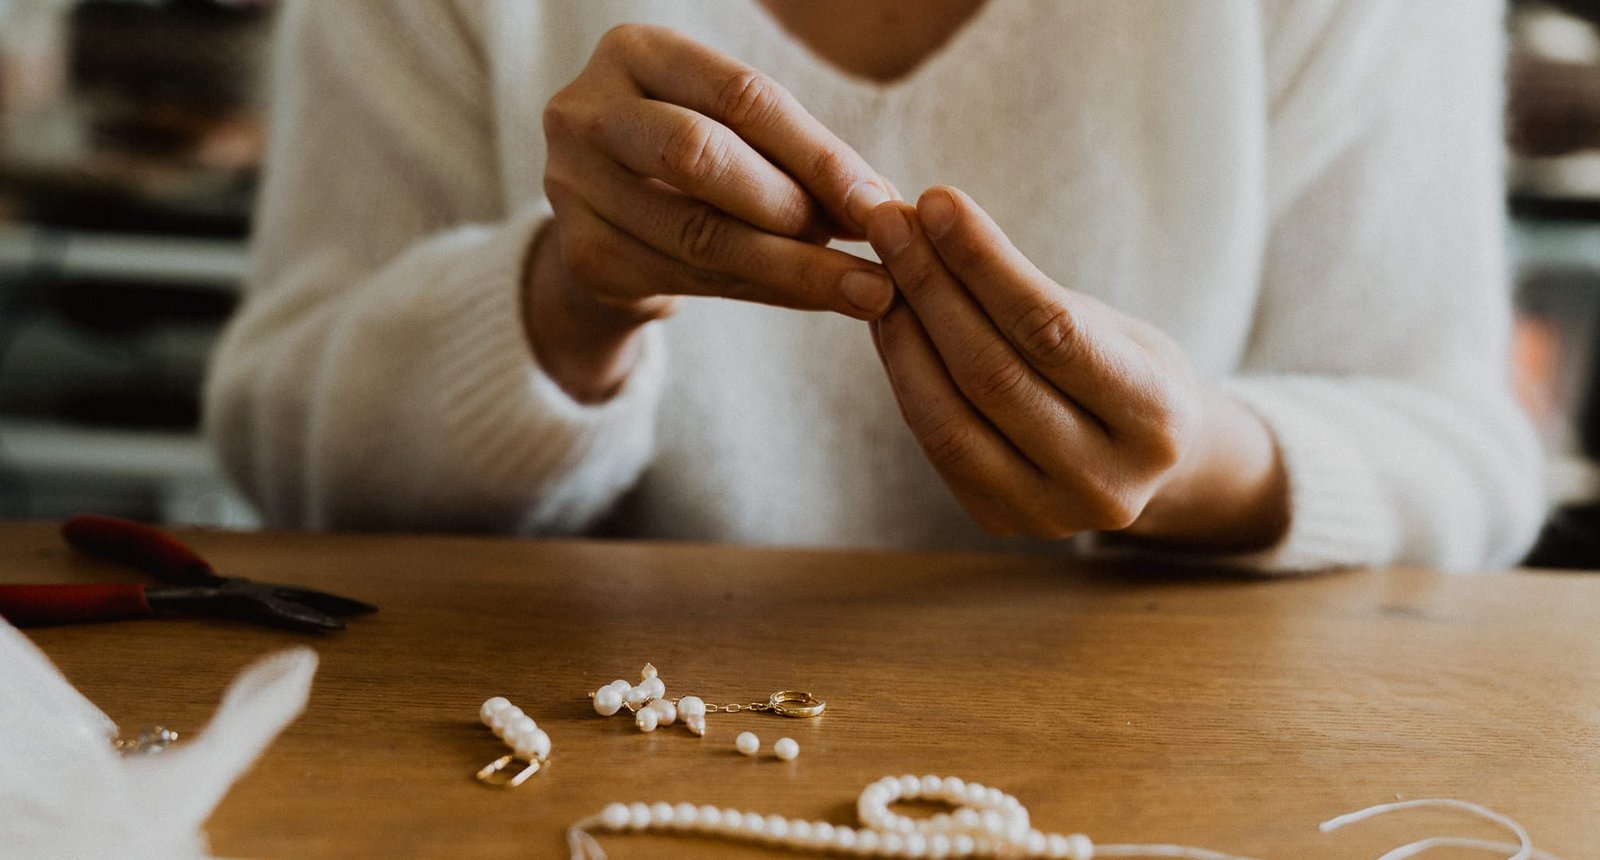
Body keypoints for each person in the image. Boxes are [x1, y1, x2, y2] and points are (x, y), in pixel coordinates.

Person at [204, 0, 1542, 571]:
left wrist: (1203, 465)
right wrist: (564, 304)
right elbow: (283, 449)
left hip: (1167, 821)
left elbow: (1461, 449)